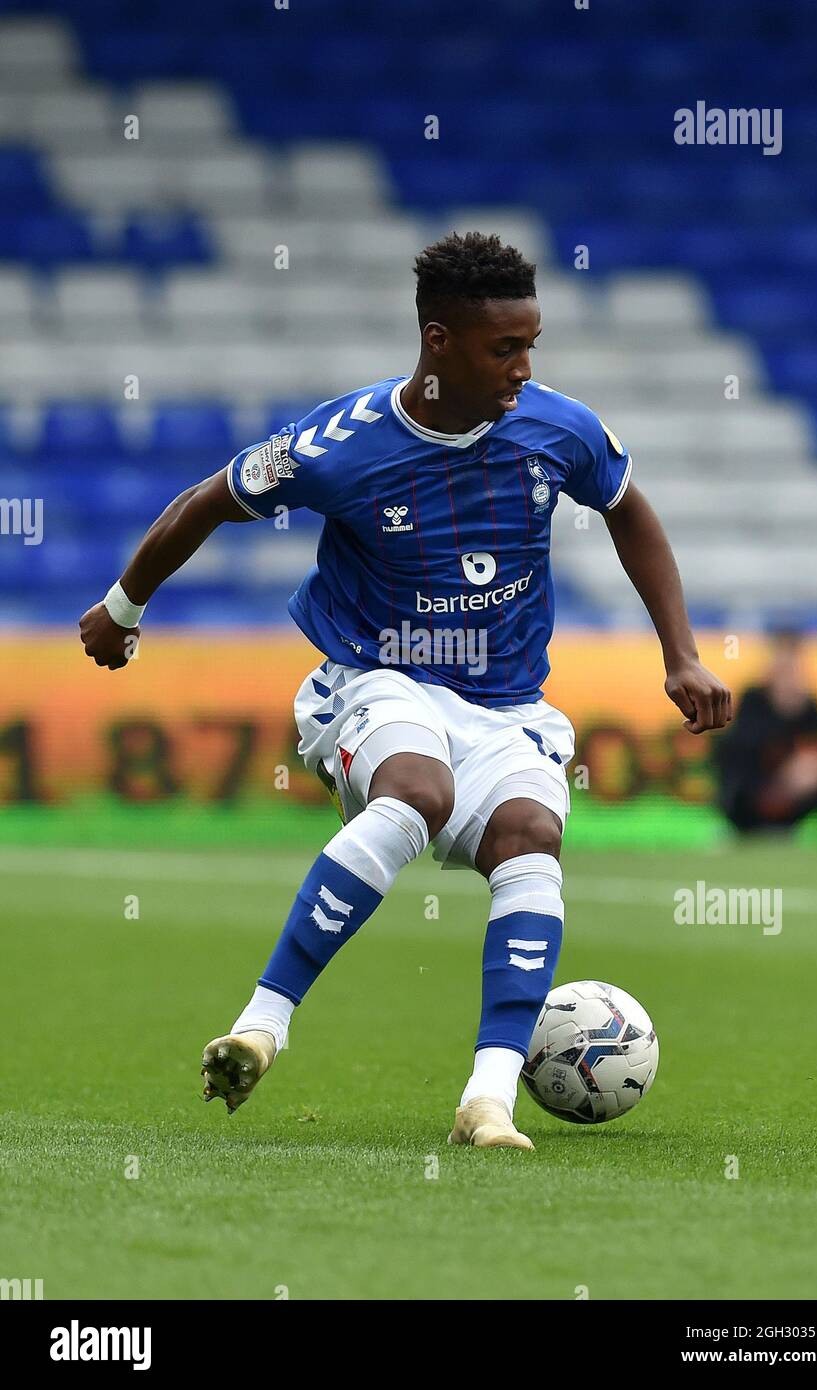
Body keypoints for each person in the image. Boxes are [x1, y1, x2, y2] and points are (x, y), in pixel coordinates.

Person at [79, 232, 732, 1149]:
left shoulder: (560, 429)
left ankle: (488, 1099)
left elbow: (630, 511)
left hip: (507, 704)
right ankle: (264, 1024)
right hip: (374, 678)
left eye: (532, 343)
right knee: (419, 793)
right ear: (439, 340)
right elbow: (211, 498)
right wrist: (123, 605)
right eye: (505, 348)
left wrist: (683, 654)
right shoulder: (338, 445)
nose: (524, 366)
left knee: (530, 836)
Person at [714, 631, 817, 838]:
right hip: (755, 806)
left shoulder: (810, 708)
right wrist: (785, 774)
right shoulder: (753, 701)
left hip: (798, 810)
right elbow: (736, 754)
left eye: (794, 669)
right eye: (783, 669)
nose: (788, 678)